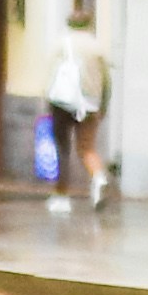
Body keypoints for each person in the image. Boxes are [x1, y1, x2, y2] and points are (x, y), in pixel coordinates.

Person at [41, 30, 94, 213]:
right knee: (84, 147)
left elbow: (49, 76)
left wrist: (47, 98)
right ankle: (95, 184)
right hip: (81, 103)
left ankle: (62, 195)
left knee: (62, 150)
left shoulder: (59, 45)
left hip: (60, 104)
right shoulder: (93, 47)